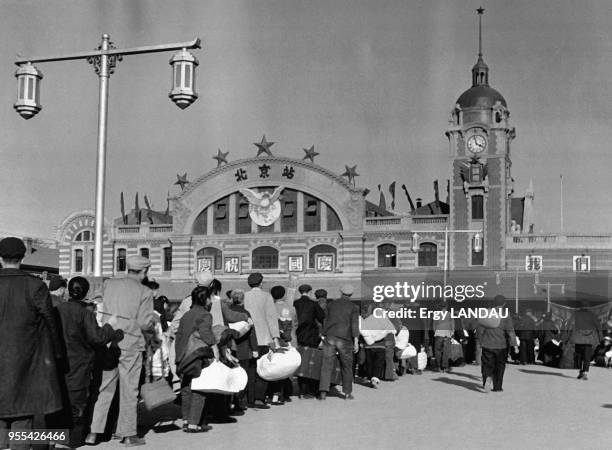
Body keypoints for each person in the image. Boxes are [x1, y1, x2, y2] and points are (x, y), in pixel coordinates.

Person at [0, 237, 65, 450]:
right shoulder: (36, 286)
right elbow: (51, 323)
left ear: (0, 258)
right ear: (23, 256)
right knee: (22, 414)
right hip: (25, 362)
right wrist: (57, 354)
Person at [86, 255, 156, 447]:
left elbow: (95, 302)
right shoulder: (145, 291)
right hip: (131, 344)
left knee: (105, 388)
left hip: (109, 343)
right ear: (144, 271)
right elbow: (143, 322)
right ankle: (128, 434)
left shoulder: (109, 284)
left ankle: (93, 432)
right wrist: (152, 325)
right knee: (129, 390)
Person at [55, 276, 123, 448]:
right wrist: (110, 326)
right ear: (85, 292)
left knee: (60, 400)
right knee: (76, 403)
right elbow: (97, 338)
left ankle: (54, 438)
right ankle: (69, 440)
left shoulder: (58, 309)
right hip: (80, 363)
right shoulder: (85, 313)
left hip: (59, 361)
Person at [175, 285, 219, 433]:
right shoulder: (205, 315)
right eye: (210, 298)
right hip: (196, 355)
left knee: (186, 389)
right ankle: (194, 423)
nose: (211, 301)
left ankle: (186, 420)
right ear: (205, 299)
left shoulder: (187, 315)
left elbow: (179, 335)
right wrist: (215, 348)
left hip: (182, 355)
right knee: (200, 389)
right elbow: (206, 334)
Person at [243, 272, 281, 408]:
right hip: (264, 338)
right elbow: (271, 318)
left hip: (247, 338)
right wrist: (275, 338)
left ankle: (248, 399)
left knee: (249, 369)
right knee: (263, 368)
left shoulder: (244, 296)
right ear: (261, 283)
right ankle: (259, 398)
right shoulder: (267, 296)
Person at [319, 284, 359, 400]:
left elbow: (325, 320)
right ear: (351, 294)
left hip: (330, 336)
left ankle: (323, 392)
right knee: (346, 365)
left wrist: (323, 335)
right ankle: (347, 393)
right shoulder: (354, 307)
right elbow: (354, 324)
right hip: (345, 338)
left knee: (327, 364)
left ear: (341, 292)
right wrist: (356, 340)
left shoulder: (331, 304)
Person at [476, 295, 519, 393]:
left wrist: (479, 341)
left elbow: (480, 329)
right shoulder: (505, 315)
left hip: (487, 343)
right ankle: (498, 386)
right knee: (500, 366)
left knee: (487, 365)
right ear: (504, 304)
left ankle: (487, 380)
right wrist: (515, 345)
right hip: (501, 345)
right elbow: (510, 331)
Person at [227, 289, 259, 411]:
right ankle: (242, 401)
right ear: (243, 299)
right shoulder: (245, 313)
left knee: (232, 375)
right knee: (244, 375)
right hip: (244, 348)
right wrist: (254, 348)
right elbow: (251, 333)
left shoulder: (227, 311)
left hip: (230, 347)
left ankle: (231, 401)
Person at [293, 284, 325, 397]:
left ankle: (301, 390)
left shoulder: (295, 303)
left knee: (301, 362)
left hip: (298, 336)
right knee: (311, 363)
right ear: (310, 292)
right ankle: (309, 391)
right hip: (311, 336)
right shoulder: (313, 304)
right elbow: (322, 318)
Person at [270, 285, 297, 404]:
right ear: (284, 295)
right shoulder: (291, 308)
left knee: (275, 367)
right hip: (289, 340)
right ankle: (286, 392)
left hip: (274, 340)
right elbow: (296, 323)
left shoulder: (269, 307)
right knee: (287, 367)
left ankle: (275, 393)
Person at [571, 301, 601, 380]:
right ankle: (584, 372)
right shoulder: (592, 315)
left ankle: (581, 371)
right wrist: (600, 337)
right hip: (589, 338)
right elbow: (598, 326)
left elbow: (570, 324)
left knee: (579, 355)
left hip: (578, 337)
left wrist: (568, 337)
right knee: (587, 356)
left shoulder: (575, 314)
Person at [432, 303, 455, 373]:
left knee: (437, 351)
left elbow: (434, 326)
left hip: (439, 334)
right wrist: (452, 333)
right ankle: (445, 367)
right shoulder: (450, 314)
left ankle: (438, 367)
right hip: (447, 335)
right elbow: (452, 325)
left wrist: (435, 332)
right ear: (447, 307)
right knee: (446, 351)